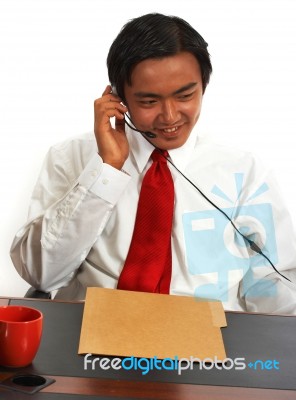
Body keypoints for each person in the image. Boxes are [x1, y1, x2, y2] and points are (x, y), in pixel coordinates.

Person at [10, 13, 296, 314]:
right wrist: (105, 171)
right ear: (118, 97)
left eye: (185, 95)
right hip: (92, 328)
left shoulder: (244, 171)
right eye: (149, 102)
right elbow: (41, 274)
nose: (170, 117)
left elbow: (276, 280)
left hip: (206, 334)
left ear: (204, 86)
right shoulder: (70, 157)